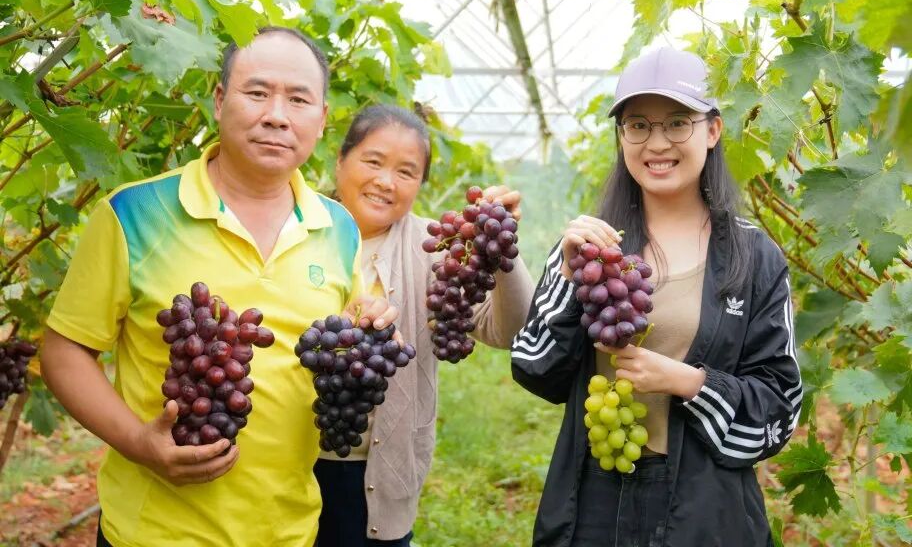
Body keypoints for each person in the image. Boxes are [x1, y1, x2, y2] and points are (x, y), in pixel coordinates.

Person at [41, 27, 398, 547]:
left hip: (290, 530)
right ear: (219, 100)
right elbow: (64, 351)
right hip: (153, 534)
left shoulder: (339, 227)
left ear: (320, 121)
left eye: (298, 99)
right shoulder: (133, 214)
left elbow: (340, 330)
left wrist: (366, 321)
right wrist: (139, 444)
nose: (277, 114)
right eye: (257, 92)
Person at [511, 47, 802, 546]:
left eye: (677, 123)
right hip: (594, 501)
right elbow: (536, 369)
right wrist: (565, 275)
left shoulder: (755, 256)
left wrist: (686, 381)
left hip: (704, 510)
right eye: (638, 125)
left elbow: (781, 409)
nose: (656, 142)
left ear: (712, 131)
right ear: (622, 137)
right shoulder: (591, 246)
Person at [314, 104, 536, 546]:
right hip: (286, 461)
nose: (385, 181)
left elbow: (507, 331)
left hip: (381, 470)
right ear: (340, 160)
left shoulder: (434, 247)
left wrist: (501, 248)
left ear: (420, 184)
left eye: (406, 171)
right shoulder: (297, 231)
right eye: (373, 161)